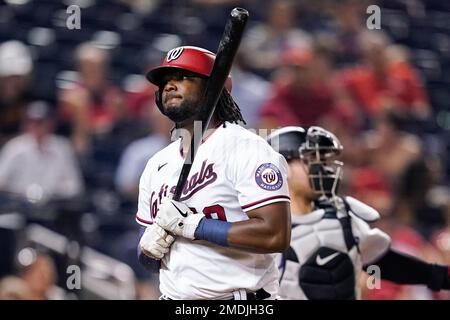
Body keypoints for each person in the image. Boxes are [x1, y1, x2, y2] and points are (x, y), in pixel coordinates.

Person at [136, 46, 291, 300]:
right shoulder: (156, 165)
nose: (170, 86)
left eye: (183, 77)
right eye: (165, 81)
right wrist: (148, 250)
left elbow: (275, 234)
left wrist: (196, 226)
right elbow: (148, 260)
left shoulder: (246, 148)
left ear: (214, 88)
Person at [266, 125, 450, 299]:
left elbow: (383, 262)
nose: (320, 169)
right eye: (309, 161)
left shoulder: (341, 217)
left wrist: (440, 276)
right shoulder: (255, 228)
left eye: (321, 162)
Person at [0, 101, 84, 203]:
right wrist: (17, 193)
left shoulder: (62, 147)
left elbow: (75, 186)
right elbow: (1, 180)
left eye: (40, 122)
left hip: (52, 206)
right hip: (18, 204)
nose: (35, 126)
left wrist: (53, 193)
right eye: (31, 121)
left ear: (51, 123)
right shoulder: (15, 147)